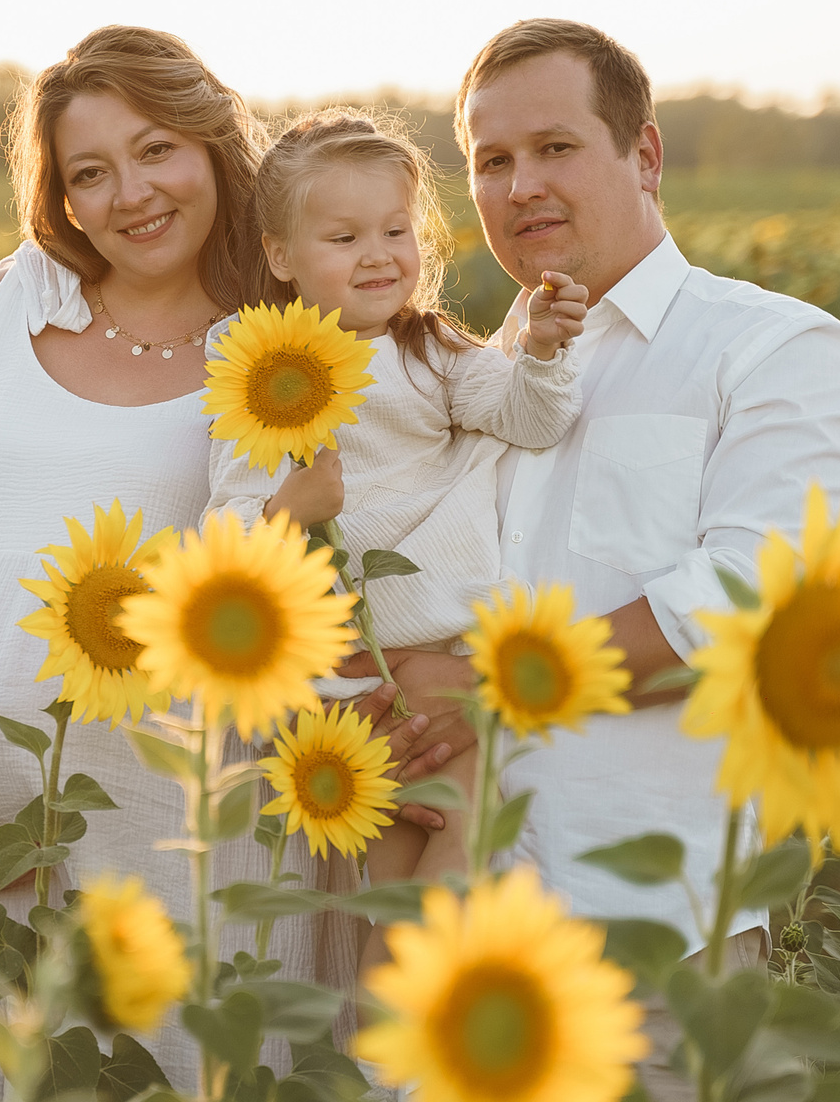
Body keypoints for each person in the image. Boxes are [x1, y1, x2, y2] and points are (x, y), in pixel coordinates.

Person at [0, 27, 377, 1102]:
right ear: (56, 193)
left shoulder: (279, 343)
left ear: (215, 147)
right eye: (89, 171)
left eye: (156, 150)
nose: (129, 194)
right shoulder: (2, 307)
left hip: (180, 846)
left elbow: (306, 562)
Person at [346, 17, 840, 1102]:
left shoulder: (775, 350)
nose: (519, 186)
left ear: (644, 155)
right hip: (456, 928)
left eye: (554, 148)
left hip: (649, 932)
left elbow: (748, 609)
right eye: (490, 161)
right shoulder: (459, 378)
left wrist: (488, 690)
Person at [206, 107, 587, 889]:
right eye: (344, 239)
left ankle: (392, 1004)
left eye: (394, 231)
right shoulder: (260, 368)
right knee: (457, 866)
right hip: (365, 674)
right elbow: (227, 529)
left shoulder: (432, 349)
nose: (377, 256)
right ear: (280, 255)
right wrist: (292, 510)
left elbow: (534, 417)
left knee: (401, 893)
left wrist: (542, 349)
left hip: (430, 657)